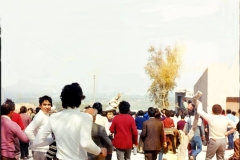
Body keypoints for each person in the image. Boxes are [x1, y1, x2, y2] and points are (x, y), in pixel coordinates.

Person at [31, 82, 106, 160]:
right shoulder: (86, 117)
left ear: (62, 99)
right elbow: (86, 144)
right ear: (80, 99)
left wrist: (53, 140)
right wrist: (100, 150)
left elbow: (37, 141)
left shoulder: (54, 117)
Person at [25, 95, 54, 160]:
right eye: (44, 104)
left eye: (49, 104)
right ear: (40, 105)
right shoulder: (40, 116)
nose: (47, 106)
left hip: (44, 149)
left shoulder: (46, 115)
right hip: (40, 151)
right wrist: (35, 142)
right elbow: (28, 131)